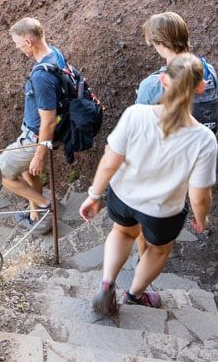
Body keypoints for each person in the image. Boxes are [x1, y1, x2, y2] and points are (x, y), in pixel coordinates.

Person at [81, 54, 216, 316]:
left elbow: (110, 161)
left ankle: (107, 282)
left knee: (122, 232)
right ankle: (135, 294)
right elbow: (199, 195)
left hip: (122, 197)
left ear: (163, 80)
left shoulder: (135, 114)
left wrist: (94, 195)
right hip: (162, 210)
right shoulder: (204, 140)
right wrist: (202, 218)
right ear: (201, 88)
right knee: (158, 249)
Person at [136, 11, 217, 241]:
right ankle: (201, 219)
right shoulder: (207, 70)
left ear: (160, 43)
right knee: (198, 190)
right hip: (202, 146)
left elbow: (139, 129)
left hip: (168, 159)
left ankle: (149, 253)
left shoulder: (153, 84)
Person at [0, 17, 66, 233]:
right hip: (39, 133)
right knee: (27, 171)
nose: (16, 47)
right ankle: (37, 216)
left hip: (35, 138)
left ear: (28, 41)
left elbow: (49, 120)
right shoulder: (55, 54)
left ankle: (46, 207)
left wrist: (39, 155)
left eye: (17, 42)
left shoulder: (42, 76)